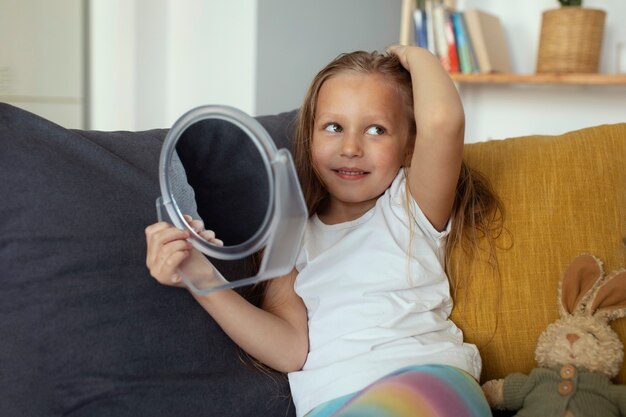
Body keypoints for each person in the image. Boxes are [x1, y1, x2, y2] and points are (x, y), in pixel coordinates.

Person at [145, 45, 503, 417]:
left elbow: (444, 120)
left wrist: (415, 57)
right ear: (310, 137)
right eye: (333, 127)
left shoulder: (409, 206)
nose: (350, 148)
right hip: (329, 401)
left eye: (376, 130)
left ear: (409, 147)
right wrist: (201, 277)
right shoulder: (288, 235)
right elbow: (290, 350)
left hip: (423, 380)